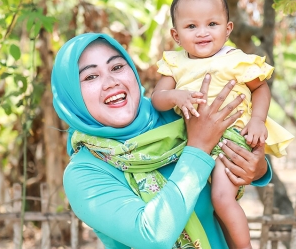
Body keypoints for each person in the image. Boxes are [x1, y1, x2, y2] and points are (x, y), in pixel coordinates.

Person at [51, 32, 273, 248]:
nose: (110, 82)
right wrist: (198, 148)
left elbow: (235, 154)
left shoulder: (176, 112)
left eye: (117, 67)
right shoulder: (85, 174)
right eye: (91, 76)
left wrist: (256, 167)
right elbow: (152, 236)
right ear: (72, 97)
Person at [151, 0, 294, 249]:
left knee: (221, 198)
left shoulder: (235, 59)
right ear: (176, 34)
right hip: (193, 144)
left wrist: (257, 120)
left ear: (228, 29)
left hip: (231, 138)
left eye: (212, 24)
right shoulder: (174, 64)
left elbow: (260, 88)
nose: (202, 32)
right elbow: (157, 99)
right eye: (191, 26)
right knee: (208, 205)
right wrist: (175, 96)